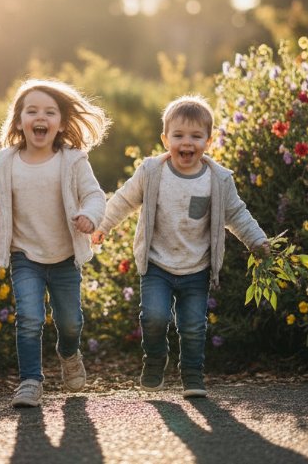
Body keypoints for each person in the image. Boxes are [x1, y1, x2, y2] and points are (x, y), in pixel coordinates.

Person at [0, 79, 110, 408]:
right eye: (32, 111)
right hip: (25, 256)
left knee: (70, 322)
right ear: (19, 121)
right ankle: (30, 381)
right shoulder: (5, 163)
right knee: (29, 317)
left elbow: (95, 196)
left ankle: (69, 353)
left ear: (60, 123)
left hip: (65, 257)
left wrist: (89, 216)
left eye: (49, 112)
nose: (40, 117)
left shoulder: (73, 160)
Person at [92, 95, 270, 398]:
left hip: (196, 267)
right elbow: (123, 200)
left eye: (196, 136)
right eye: (178, 136)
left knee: (192, 326)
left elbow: (236, 213)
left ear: (208, 141)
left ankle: (192, 374)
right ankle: (155, 360)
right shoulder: (151, 173)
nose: (186, 143)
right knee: (154, 317)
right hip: (157, 265)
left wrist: (257, 240)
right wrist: (102, 225)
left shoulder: (218, 180)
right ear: (165, 139)